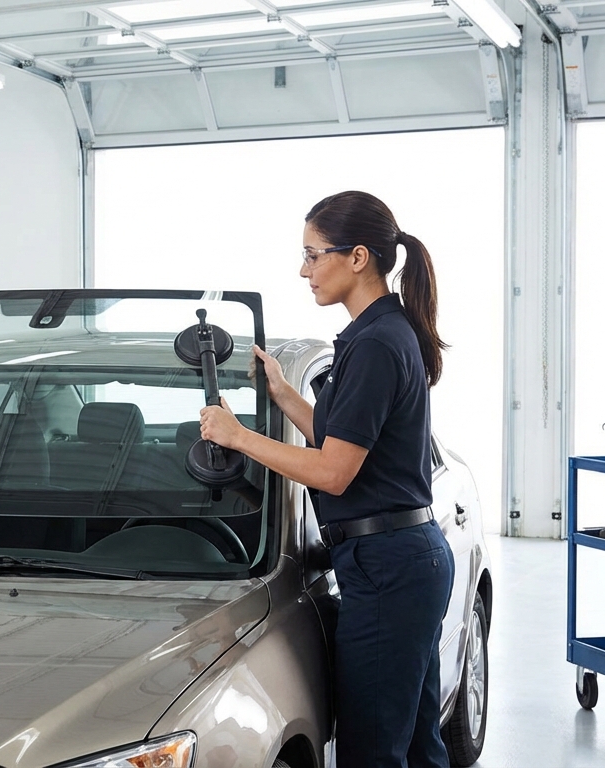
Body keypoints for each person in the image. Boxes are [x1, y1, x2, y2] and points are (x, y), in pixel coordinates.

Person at [198, 190, 455, 768]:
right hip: (400, 562)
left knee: (371, 751)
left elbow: (336, 473)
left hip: (388, 568)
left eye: (314, 255)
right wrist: (285, 396)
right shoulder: (381, 334)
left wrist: (238, 437)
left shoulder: (376, 345)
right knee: (413, 746)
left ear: (358, 257)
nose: (303, 269)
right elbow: (347, 441)